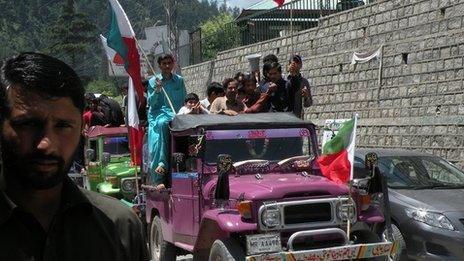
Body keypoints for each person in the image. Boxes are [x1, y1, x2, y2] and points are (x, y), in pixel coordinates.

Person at [0, 52, 148, 261]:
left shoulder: (119, 228)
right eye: (28, 124)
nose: (46, 144)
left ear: (82, 128)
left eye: (63, 126)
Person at [148, 53, 186, 188]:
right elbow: (152, 103)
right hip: (159, 115)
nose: (167, 66)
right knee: (163, 124)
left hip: (176, 114)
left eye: (169, 63)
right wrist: (157, 90)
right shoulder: (153, 81)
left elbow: (184, 100)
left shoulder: (179, 80)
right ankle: (161, 165)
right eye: (164, 64)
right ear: (159, 66)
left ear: (173, 64)